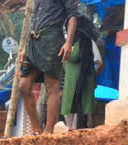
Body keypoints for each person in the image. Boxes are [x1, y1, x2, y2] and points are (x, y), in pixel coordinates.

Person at [20, 0, 79, 135]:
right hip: (33, 39)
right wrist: (25, 47)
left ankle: (48, 131)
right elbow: (34, 18)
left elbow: (72, 15)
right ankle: (36, 129)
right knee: (23, 85)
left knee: (51, 84)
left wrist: (69, 42)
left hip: (52, 37)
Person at [60, 15, 103, 130]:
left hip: (83, 84)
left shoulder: (88, 42)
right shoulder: (67, 44)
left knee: (82, 115)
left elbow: (99, 63)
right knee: (69, 113)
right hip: (70, 85)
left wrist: (89, 76)